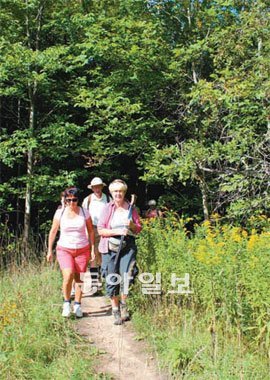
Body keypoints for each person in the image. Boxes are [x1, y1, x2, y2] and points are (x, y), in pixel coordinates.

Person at [98, 179, 142, 325]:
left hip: (127, 246)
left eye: (121, 191)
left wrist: (132, 226)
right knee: (112, 277)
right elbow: (101, 230)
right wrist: (116, 231)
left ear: (124, 193)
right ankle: (115, 309)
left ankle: (124, 306)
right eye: (116, 191)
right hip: (110, 247)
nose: (118, 194)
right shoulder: (107, 209)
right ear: (111, 193)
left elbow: (138, 229)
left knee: (127, 275)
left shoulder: (131, 208)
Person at [46, 187, 95, 318]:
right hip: (64, 249)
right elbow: (53, 231)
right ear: (65, 200)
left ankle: (78, 305)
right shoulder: (60, 213)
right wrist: (49, 250)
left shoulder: (85, 212)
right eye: (69, 200)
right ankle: (66, 303)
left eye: (74, 200)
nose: (72, 203)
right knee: (68, 276)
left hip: (82, 249)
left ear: (78, 200)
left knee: (79, 278)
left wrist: (92, 249)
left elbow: (90, 231)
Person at [82, 177, 111, 293]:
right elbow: (83, 216)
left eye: (99, 186)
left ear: (102, 187)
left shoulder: (108, 199)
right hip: (91, 229)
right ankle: (95, 284)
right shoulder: (87, 200)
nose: (97, 189)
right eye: (95, 187)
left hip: (105, 229)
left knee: (103, 255)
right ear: (92, 188)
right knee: (93, 256)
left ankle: (102, 281)